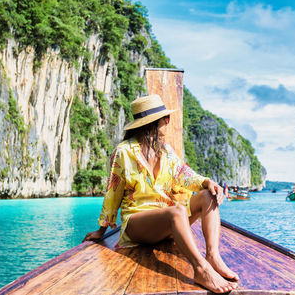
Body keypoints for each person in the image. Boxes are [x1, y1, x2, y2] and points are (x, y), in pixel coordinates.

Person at [83, 95, 239, 293]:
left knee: (208, 196)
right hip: (137, 224)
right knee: (176, 211)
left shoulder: (165, 151)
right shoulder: (123, 152)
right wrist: (101, 230)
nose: (167, 122)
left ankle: (213, 256)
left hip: (167, 223)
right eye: (165, 118)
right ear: (153, 122)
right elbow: (113, 192)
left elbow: (185, 174)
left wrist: (207, 182)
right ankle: (201, 269)